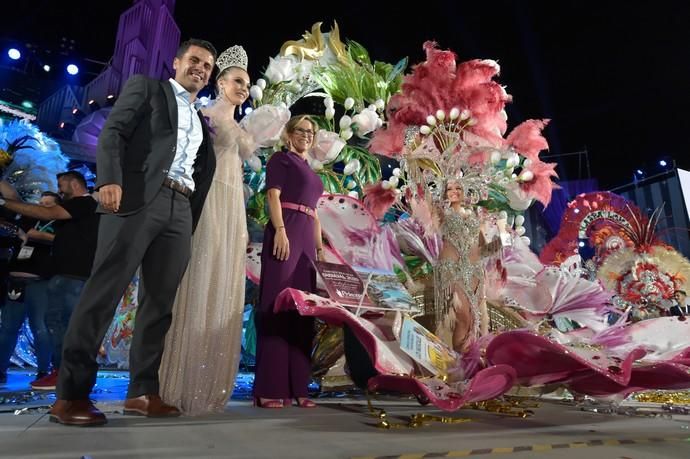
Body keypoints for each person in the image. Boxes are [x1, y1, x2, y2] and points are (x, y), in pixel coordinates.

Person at [49, 38, 218, 426]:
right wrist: (109, 179)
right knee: (102, 295)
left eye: (207, 66)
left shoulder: (200, 118)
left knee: (159, 306)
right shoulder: (148, 88)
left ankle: (142, 392)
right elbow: (114, 133)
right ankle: (70, 396)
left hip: (180, 209)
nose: (201, 68)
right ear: (176, 63)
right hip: (138, 199)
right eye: (194, 60)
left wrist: (189, 219)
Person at [158, 44, 254, 415]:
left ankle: (210, 382)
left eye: (246, 83)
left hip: (234, 208)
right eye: (236, 81)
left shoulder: (241, 126)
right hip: (209, 200)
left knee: (224, 282)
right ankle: (178, 381)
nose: (242, 88)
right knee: (197, 275)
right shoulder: (204, 115)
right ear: (221, 81)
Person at [0, 174, 100, 392]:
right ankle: (61, 371)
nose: (59, 190)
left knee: (63, 327)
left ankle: (68, 374)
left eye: (62, 186)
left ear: (75, 185)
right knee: (56, 325)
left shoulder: (85, 203)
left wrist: (2, 202)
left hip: (73, 278)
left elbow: (46, 212)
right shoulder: (71, 210)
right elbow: (21, 201)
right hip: (62, 277)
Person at [253, 115, 325, 409]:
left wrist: (320, 250)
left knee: (302, 312)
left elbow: (316, 212)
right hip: (286, 231)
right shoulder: (281, 160)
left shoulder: (311, 169)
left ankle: (298, 387)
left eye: (311, 131)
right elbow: (273, 195)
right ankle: (269, 388)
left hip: (307, 237)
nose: (306, 135)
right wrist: (280, 231)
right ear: (288, 133)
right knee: (277, 306)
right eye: (300, 130)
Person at [0, 191, 60, 385]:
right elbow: (13, 197)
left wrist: (33, 236)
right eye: (40, 202)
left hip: (39, 283)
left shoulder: (59, 225)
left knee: (40, 328)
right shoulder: (28, 220)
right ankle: (0, 370)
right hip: (15, 281)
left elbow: (51, 239)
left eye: (48, 204)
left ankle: (44, 370)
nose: (42, 206)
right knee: (8, 328)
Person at [433, 179, 489, 353]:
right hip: (451, 269)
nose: (454, 191)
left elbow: (485, 248)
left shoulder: (475, 215)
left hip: (474, 271)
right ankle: (459, 360)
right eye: (449, 188)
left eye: (458, 187)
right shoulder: (440, 212)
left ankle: (471, 361)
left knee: (475, 319)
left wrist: (503, 235)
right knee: (462, 316)